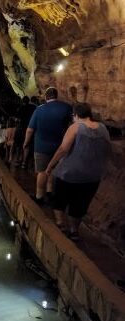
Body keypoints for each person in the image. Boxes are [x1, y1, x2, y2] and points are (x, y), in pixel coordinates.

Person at [45, 102, 111, 241]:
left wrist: (51, 165)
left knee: (60, 199)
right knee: (80, 204)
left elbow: (63, 149)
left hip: (70, 173)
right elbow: (107, 149)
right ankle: (74, 231)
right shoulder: (103, 128)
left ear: (75, 115)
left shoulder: (75, 127)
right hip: (93, 175)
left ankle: (60, 224)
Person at [23, 87, 72, 205]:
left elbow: (30, 129)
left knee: (42, 171)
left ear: (46, 96)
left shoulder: (39, 110)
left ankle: (39, 196)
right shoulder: (66, 107)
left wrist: (26, 143)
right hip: (60, 146)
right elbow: (73, 124)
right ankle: (50, 192)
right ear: (56, 95)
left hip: (42, 146)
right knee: (53, 169)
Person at [15, 96, 36, 167]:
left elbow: (18, 119)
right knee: (28, 144)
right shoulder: (33, 107)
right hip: (32, 128)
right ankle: (25, 162)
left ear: (23, 101)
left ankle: (19, 160)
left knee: (20, 145)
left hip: (22, 128)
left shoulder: (21, 108)